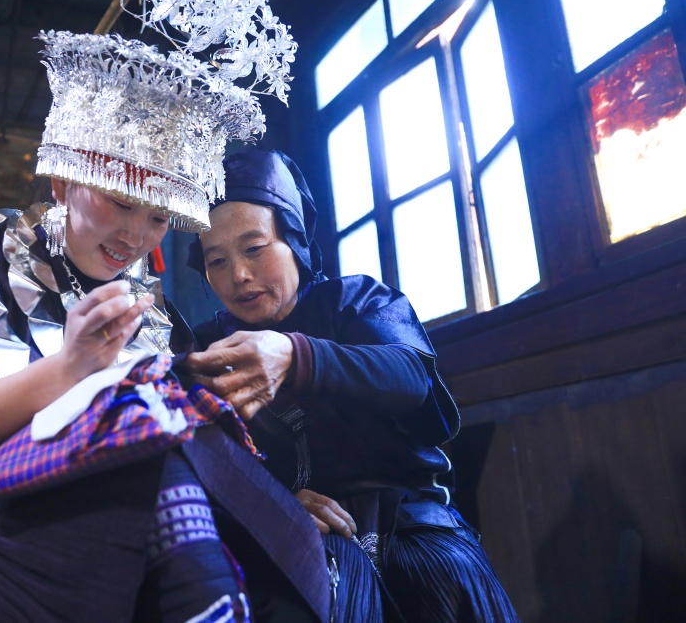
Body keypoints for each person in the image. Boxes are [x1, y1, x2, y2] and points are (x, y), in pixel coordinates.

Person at [0, 0, 341, 621]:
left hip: (119, 515)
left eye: (158, 218)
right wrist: (68, 369)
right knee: (158, 474)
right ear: (63, 182)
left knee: (284, 546)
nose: (136, 235)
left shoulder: (153, 312)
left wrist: (268, 501)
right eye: (119, 202)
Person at [184, 149, 520, 622]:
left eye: (254, 248)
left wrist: (296, 356)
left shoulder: (356, 302)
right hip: (289, 532)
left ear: (295, 239)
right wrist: (273, 504)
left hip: (407, 524)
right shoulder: (205, 348)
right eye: (216, 261)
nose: (238, 275)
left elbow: (410, 376)